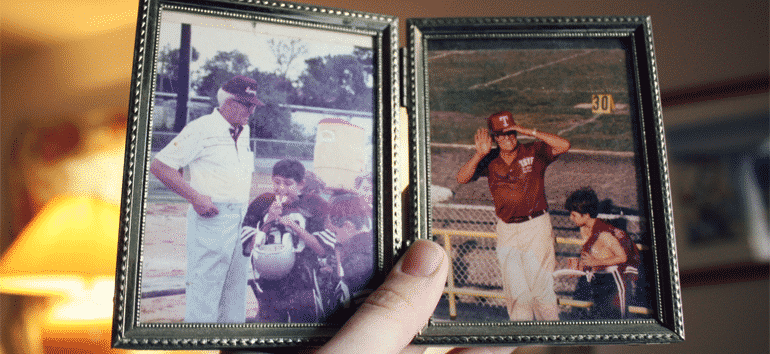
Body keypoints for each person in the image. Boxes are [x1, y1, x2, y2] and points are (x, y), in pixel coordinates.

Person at [149, 75, 263, 323]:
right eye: (247, 104)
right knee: (204, 292)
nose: (252, 110)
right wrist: (195, 197)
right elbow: (161, 166)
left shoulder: (244, 131)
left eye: (253, 104)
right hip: (213, 216)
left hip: (241, 218)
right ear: (229, 102)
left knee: (235, 294)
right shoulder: (202, 128)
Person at [456, 111, 571, 321]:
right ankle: (521, 335)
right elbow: (462, 178)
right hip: (507, 229)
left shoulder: (533, 151)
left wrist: (529, 131)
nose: (508, 138)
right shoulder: (490, 159)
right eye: (502, 135)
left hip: (535, 225)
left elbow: (564, 145)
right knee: (515, 290)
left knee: (540, 287)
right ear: (494, 138)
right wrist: (479, 155)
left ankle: (550, 334)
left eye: (511, 133)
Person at [241, 159, 330, 323]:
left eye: (288, 183)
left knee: (304, 329)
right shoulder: (262, 203)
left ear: (301, 184)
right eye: (277, 182)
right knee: (269, 328)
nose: (281, 188)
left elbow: (322, 249)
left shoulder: (315, 204)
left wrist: (295, 227)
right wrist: (269, 220)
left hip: (304, 280)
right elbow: (249, 246)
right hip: (269, 278)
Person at [564, 187, 641, 319]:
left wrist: (596, 262)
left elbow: (622, 257)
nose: (571, 218)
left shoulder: (604, 234)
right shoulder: (584, 228)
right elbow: (596, 253)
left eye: (574, 215)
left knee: (618, 324)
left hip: (614, 282)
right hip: (598, 280)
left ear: (586, 216)